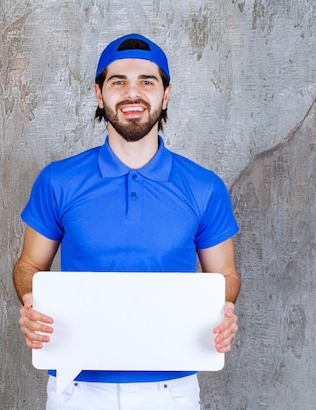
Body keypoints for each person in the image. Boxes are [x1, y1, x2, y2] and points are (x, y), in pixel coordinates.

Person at [14, 33, 240, 410]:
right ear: (99, 94)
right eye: (118, 81)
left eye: (146, 82)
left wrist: (222, 311)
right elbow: (29, 265)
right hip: (77, 385)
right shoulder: (58, 180)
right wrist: (31, 303)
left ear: (165, 94)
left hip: (171, 387)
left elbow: (226, 276)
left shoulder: (204, 187)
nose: (132, 93)